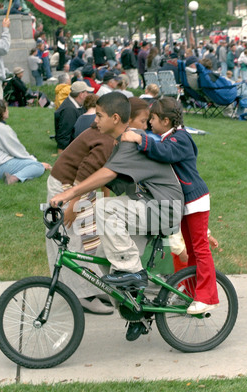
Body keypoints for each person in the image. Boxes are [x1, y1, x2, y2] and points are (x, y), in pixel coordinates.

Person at [50, 92, 184, 341]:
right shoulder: (118, 144)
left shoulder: (131, 141)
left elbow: (106, 175)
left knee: (105, 209)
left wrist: (69, 194)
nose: (94, 120)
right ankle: (139, 311)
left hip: (163, 208)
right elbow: (104, 180)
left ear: (115, 117)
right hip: (146, 209)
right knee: (104, 260)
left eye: (99, 116)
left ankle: (131, 271)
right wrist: (76, 199)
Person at [121, 97, 219, 315]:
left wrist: (139, 139)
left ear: (166, 121)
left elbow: (164, 152)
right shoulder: (169, 137)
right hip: (185, 203)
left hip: (195, 200)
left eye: (153, 119)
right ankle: (192, 293)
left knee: (200, 250)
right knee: (192, 250)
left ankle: (207, 296)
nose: (149, 124)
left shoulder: (180, 138)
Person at [46, 123, 115, 315]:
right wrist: (73, 205)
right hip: (66, 188)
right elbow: (84, 172)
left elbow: (105, 174)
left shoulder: (116, 137)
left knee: (90, 239)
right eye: (142, 121)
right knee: (71, 242)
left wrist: (104, 201)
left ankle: (93, 287)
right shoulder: (107, 140)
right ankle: (81, 295)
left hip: (81, 189)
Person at [0, 99, 51, 183]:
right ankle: (14, 178)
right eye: (7, 109)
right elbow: (17, 151)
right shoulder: (3, 129)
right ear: (2, 112)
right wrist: (35, 161)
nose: (8, 111)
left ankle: (15, 176)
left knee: (29, 162)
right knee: (37, 167)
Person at [54, 81, 94, 154]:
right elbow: (64, 133)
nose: (89, 95)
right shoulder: (69, 110)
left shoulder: (75, 104)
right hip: (73, 146)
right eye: (87, 92)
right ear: (81, 94)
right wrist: (61, 150)